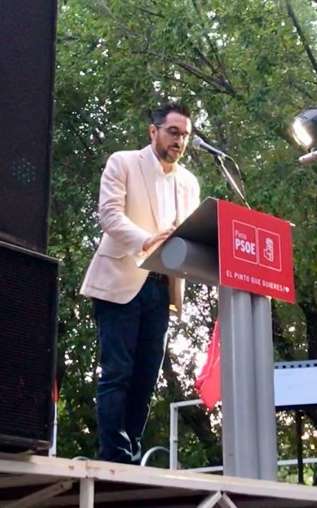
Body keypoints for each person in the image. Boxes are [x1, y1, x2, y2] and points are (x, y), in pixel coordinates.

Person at [80, 101, 202, 464]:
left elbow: (190, 236)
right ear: (154, 132)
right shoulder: (124, 162)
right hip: (122, 278)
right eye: (173, 132)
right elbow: (109, 215)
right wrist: (146, 241)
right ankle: (112, 456)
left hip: (162, 288)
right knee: (117, 373)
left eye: (185, 135)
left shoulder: (188, 183)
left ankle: (130, 453)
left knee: (147, 379)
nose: (179, 141)